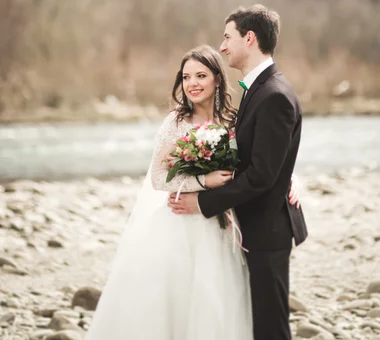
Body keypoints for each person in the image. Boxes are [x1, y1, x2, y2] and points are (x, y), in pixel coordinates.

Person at [85, 44, 300, 340]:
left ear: (217, 79)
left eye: (200, 75)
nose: (192, 84)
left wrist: (290, 181)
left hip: (224, 225)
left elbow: (264, 161)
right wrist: (203, 182)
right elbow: (159, 178)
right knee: (178, 300)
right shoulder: (175, 122)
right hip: (180, 223)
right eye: (186, 77)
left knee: (217, 298)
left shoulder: (234, 121)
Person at [169, 6, 308, 340]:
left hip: (267, 229)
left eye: (228, 37)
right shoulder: (258, 90)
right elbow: (261, 159)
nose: (223, 46)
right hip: (252, 228)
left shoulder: (272, 95)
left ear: (250, 38)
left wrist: (202, 203)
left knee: (270, 326)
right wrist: (290, 174)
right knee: (255, 320)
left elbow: (262, 175)